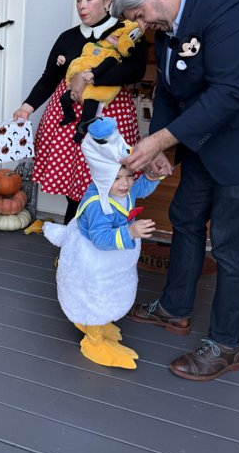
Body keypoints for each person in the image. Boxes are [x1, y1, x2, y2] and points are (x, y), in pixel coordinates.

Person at [110, 0, 239, 381]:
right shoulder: (164, 30)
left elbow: (229, 94)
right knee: (186, 220)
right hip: (200, 148)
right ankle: (175, 309)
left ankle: (228, 344)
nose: (141, 25)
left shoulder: (231, 10)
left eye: (139, 14)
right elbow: (167, 91)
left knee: (232, 247)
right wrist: (164, 143)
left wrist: (160, 141)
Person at [13, 0, 147, 224]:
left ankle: (103, 241)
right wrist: (26, 107)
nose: (82, 6)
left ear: (108, 0)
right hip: (68, 123)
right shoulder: (68, 38)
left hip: (109, 119)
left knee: (108, 182)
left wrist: (89, 77)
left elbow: (135, 71)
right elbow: (49, 79)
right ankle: (73, 243)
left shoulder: (126, 33)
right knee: (73, 187)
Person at [43, 117, 163, 369]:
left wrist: (151, 175)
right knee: (95, 295)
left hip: (111, 259)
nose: (125, 184)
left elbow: (138, 189)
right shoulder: (98, 204)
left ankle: (100, 322)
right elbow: (100, 238)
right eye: (118, 178)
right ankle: (94, 339)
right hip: (93, 260)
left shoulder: (120, 189)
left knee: (110, 291)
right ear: (102, 176)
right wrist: (130, 231)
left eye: (129, 176)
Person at [58, 20, 143, 143]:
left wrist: (93, 73)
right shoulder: (91, 45)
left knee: (89, 108)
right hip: (75, 85)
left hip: (94, 89)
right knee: (64, 99)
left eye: (118, 39)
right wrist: (65, 59)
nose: (115, 39)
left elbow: (106, 64)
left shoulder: (113, 54)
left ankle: (81, 129)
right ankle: (69, 115)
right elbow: (79, 56)